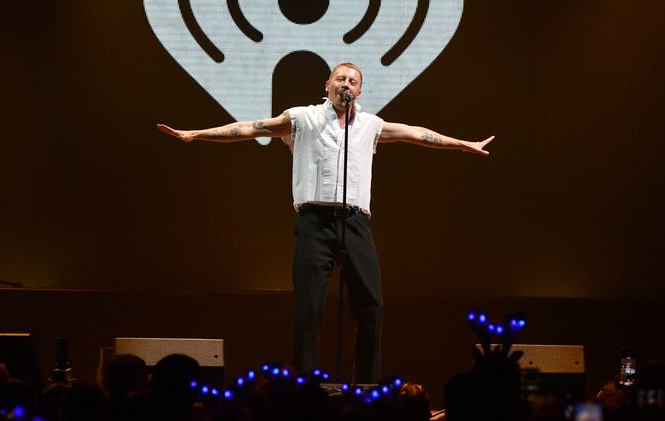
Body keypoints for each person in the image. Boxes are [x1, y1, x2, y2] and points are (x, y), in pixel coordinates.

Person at [158, 62, 494, 383]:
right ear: (327, 85)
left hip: (355, 223)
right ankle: (305, 386)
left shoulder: (370, 126)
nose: (345, 84)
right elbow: (251, 128)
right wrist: (196, 134)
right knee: (309, 308)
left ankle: (365, 385)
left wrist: (464, 145)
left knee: (371, 306)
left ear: (359, 92)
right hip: (314, 222)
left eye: (352, 81)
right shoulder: (302, 118)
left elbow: (416, 134)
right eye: (340, 79)